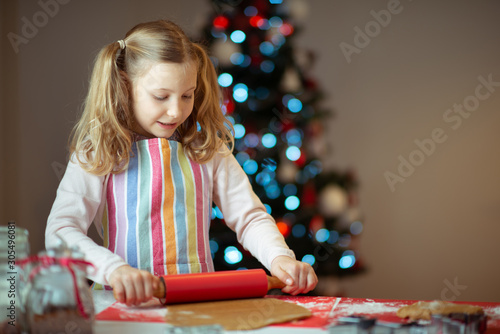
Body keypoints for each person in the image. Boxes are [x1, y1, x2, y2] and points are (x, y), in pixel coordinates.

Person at [45, 20, 317, 306]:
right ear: (124, 86)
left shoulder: (208, 150)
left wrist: (279, 257)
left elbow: (249, 217)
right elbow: (62, 230)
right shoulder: (99, 152)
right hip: (124, 309)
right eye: (161, 96)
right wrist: (113, 269)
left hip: (197, 304)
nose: (176, 110)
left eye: (187, 95)